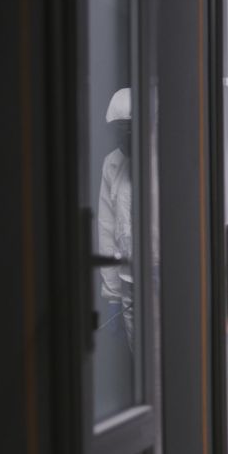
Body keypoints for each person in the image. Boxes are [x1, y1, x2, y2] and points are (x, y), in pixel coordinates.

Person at [97, 87, 135, 348]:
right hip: (129, 282)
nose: (124, 135)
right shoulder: (113, 164)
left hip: (169, 279)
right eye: (118, 128)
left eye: (129, 127)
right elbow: (107, 229)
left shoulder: (165, 161)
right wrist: (112, 295)